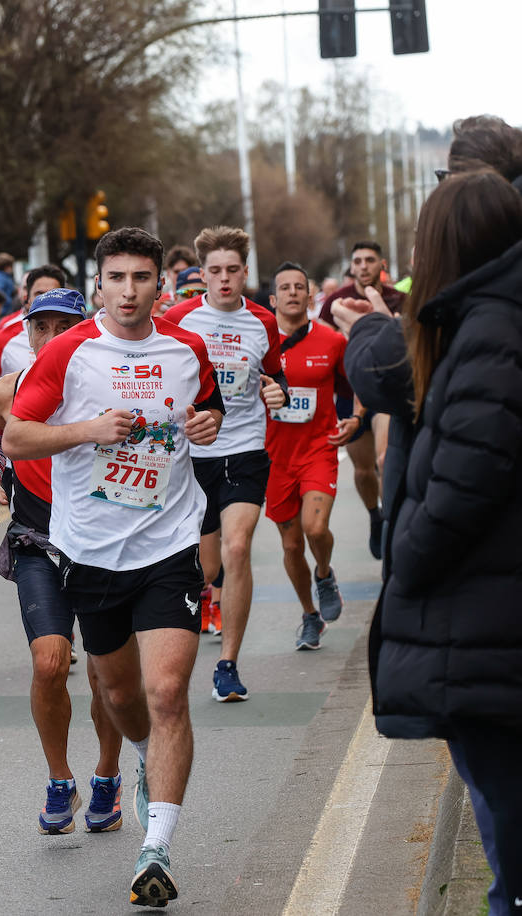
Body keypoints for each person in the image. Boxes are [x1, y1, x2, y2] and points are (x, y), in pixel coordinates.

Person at [4, 227, 224, 907]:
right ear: (98, 285)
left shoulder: (187, 348)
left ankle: (155, 846)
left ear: (161, 283)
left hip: (169, 545)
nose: (129, 291)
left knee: (165, 695)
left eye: (142, 278)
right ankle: (140, 757)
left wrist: (207, 424)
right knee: (123, 700)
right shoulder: (68, 353)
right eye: (117, 278)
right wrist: (87, 431)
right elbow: (16, 436)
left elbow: (208, 408)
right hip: (92, 553)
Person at [340, 119, 522, 916]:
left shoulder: (488, 328)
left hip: (484, 612)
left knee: (510, 827)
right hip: (487, 611)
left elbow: (467, 476)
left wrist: (405, 554)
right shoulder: (483, 319)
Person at [0, 288, 125, 836]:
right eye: (42, 326)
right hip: (38, 540)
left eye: (66, 324)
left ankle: (107, 774)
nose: (52, 336)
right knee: (48, 663)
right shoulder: (8, 389)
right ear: (27, 332)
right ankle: (60, 778)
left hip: (105, 545)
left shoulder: (107, 385)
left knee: (107, 673)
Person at [165, 226, 288, 702]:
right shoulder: (179, 320)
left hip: (245, 448)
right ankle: (205, 603)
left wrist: (278, 391)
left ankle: (228, 664)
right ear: (202, 273)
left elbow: (277, 378)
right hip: (193, 455)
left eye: (232, 271)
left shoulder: (263, 321)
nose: (223, 280)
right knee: (208, 564)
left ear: (244, 272)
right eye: (213, 271)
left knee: (238, 548)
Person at [264, 261, 353, 650]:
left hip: (319, 449)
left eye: (300, 286)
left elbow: (356, 385)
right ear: (273, 298)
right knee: (290, 546)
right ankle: (309, 615)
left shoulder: (333, 341)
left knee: (315, 529)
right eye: (285, 287)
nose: (293, 293)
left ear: (311, 294)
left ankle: (324, 573)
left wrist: (357, 418)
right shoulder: (258, 344)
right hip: (274, 457)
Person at [317, 240, 405, 560]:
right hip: (348, 392)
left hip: (386, 394)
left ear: (380, 264)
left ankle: (393, 527)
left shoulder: (399, 299)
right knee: (364, 470)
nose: (364, 266)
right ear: (351, 266)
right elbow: (322, 344)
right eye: (358, 261)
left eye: (370, 260)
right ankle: (375, 516)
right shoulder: (334, 302)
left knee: (384, 460)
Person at [0, 265, 66, 409]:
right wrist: (22, 394)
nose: (46, 299)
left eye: (53, 293)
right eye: (39, 294)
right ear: (27, 298)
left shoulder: (79, 336)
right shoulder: (5, 338)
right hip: (21, 426)